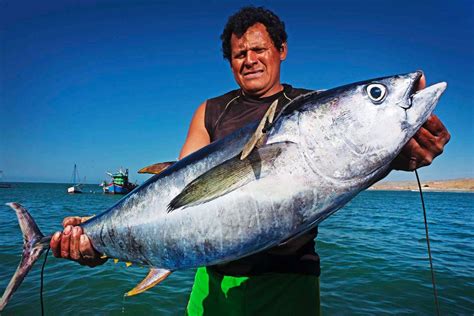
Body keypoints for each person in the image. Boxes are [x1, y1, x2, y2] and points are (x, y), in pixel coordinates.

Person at [50, 6, 450, 315]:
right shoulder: (210, 111)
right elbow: (175, 193)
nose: (250, 59)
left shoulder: (308, 106)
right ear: (230, 61)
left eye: (259, 49)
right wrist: (97, 240)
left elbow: (351, 158)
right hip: (213, 284)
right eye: (239, 53)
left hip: (289, 282)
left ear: (281, 50)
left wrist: (408, 154)